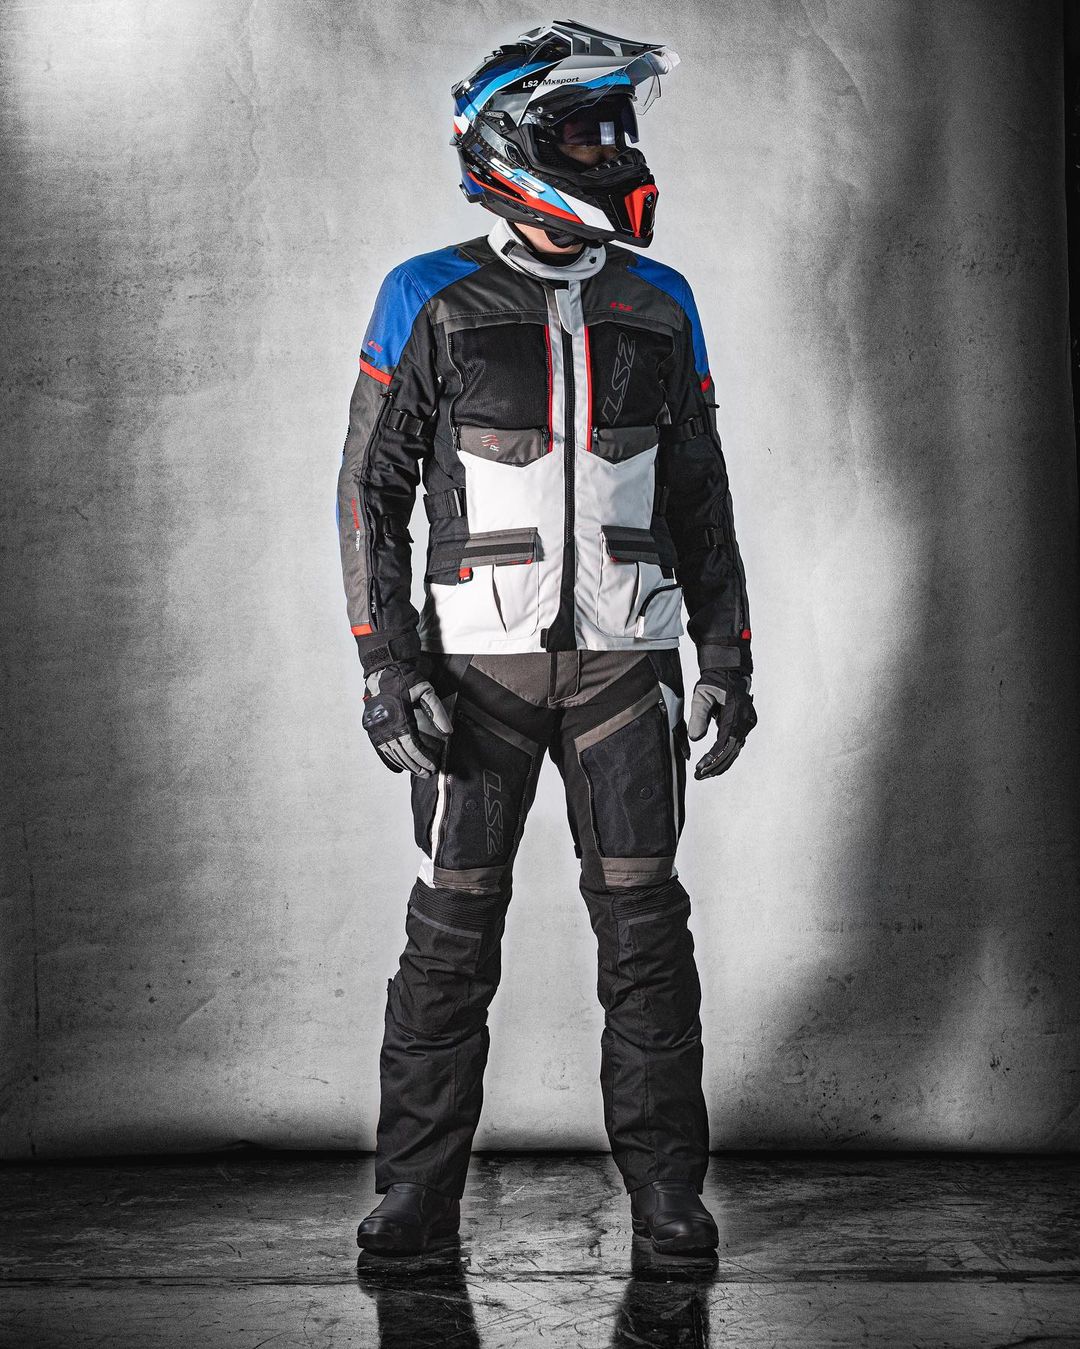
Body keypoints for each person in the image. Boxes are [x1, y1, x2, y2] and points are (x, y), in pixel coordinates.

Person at [337, 19, 756, 1257]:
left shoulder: (661, 303)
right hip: (474, 681)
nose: (615, 150)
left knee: (647, 943)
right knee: (449, 943)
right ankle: (414, 1200)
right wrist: (387, 667)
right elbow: (370, 492)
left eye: (618, 126)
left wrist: (727, 661)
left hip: (631, 672)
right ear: (515, 143)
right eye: (587, 131)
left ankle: (668, 1198)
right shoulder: (426, 295)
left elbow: (702, 496)